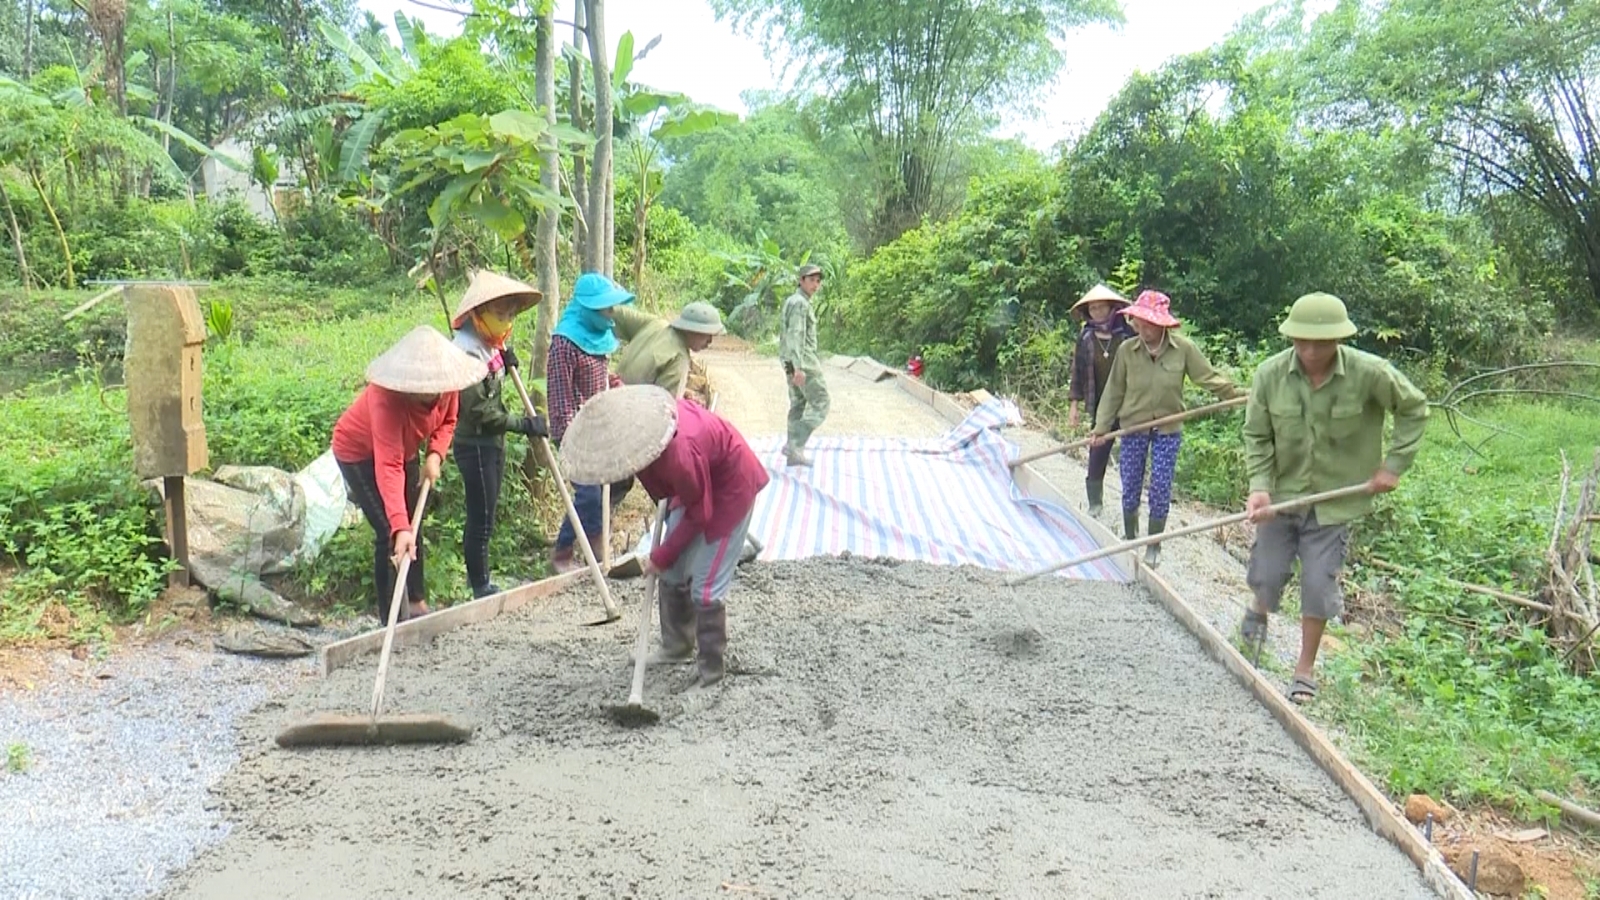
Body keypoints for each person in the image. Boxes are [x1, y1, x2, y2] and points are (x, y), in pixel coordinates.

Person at [1240, 292, 1428, 705]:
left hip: (1334, 502)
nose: (1310, 351)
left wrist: (1393, 466)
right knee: (1268, 574)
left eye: (1320, 343)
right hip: (1282, 496)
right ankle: (1259, 607)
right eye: (1301, 342)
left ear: (1339, 340)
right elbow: (1256, 434)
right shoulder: (1270, 375)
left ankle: (1304, 669)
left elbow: (1414, 408)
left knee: (1318, 584)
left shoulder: (1370, 373)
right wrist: (1259, 485)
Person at [559, 385, 769, 688]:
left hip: (730, 487)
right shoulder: (638, 430)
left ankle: (711, 670)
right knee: (672, 571)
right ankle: (677, 647)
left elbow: (702, 512)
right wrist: (668, 556)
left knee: (706, 586)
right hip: (694, 483)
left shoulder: (678, 453)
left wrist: (663, 553)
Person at [332, 325, 486, 623]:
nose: (428, 392)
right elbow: (388, 465)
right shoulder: (385, 398)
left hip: (407, 449)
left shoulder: (447, 383)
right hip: (359, 454)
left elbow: (448, 421)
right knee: (390, 531)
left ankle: (415, 602)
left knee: (414, 525)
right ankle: (390, 617)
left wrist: (435, 455)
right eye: (420, 389)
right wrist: (399, 526)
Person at [1092, 290, 1242, 566]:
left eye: (1149, 324)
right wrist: (1101, 428)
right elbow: (1113, 391)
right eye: (1140, 322)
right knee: (1130, 484)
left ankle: (1154, 545)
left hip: (1167, 428)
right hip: (1133, 426)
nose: (1144, 328)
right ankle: (1130, 536)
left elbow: (1207, 378)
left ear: (1163, 324)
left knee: (1160, 486)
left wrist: (1237, 394)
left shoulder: (1183, 349)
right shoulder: (1127, 350)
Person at [449, 271, 550, 599]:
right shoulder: (465, 352)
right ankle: (480, 584)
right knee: (481, 515)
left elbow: (492, 389)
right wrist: (523, 425)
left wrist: (505, 364)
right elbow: (480, 411)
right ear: (478, 315)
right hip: (475, 444)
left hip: (491, 444)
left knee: (488, 514)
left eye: (510, 315)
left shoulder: (488, 344)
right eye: (499, 315)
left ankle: (482, 580)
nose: (505, 321)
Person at [546, 272, 635, 574]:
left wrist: (615, 383)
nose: (611, 315)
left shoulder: (599, 338)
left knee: (622, 479)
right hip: (574, 428)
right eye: (606, 310)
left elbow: (598, 378)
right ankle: (562, 551)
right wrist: (572, 438)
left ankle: (596, 533)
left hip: (600, 426)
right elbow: (559, 397)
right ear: (588, 309)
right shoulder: (564, 343)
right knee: (588, 493)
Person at [1066, 283, 1135, 516]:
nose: (1096, 312)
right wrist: (1073, 406)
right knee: (1097, 452)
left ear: (1111, 308)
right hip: (1100, 405)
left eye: (1100, 307)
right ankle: (1095, 502)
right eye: (1092, 309)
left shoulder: (1127, 336)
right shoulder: (1086, 338)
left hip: (1128, 405)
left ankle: (1130, 509)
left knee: (1130, 458)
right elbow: (1077, 372)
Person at [611, 300, 726, 397]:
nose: (709, 342)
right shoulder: (679, 359)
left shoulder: (656, 324)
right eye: (707, 335)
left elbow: (616, 313)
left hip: (610, 391)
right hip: (628, 408)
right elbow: (664, 407)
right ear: (692, 331)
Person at [779, 263, 829, 467]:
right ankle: (795, 446)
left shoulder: (793, 301)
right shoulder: (800, 303)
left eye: (818, 281)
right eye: (811, 280)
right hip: (803, 361)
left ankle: (793, 447)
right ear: (801, 280)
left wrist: (791, 367)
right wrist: (797, 368)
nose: (815, 285)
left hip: (790, 359)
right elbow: (796, 335)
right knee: (821, 401)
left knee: (798, 403)